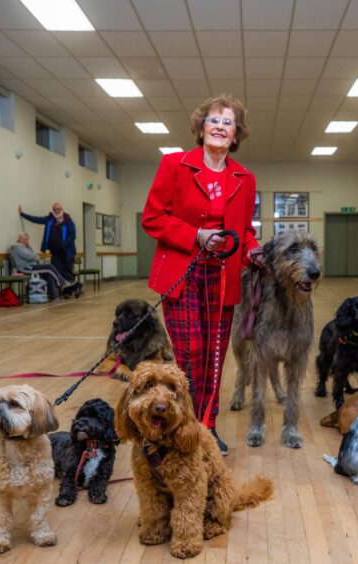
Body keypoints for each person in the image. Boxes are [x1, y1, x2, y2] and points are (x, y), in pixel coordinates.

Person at [142, 94, 261, 456]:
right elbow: (153, 218)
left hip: (223, 278)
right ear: (201, 127)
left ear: (236, 134)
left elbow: (244, 230)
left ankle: (207, 427)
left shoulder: (244, 177)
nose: (221, 127)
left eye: (228, 122)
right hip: (183, 274)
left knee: (214, 358)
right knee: (190, 353)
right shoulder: (174, 165)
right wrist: (195, 235)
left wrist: (254, 249)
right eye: (214, 120)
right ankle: (183, 426)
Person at [19, 202, 80, 292]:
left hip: (67, 251)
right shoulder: (49, 219)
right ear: (53, 210)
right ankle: (72, 288)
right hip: (55, 251)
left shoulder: (69, 222)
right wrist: (23, 214)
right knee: (58, 271)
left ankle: (70, 290)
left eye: (59, 209)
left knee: (68, 271)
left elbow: (72, 235)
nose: (57, 211)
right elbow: (37, 219)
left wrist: (63, 245)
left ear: (62, 209)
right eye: (55, 209)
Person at [9, 232, 81, 301]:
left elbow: (34, 257)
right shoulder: (17, 248)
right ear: (19, 239)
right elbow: (30, 257)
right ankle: (63, 282)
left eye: (26, 239)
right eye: (23, 239)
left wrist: (33, 254)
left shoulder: (26, 247)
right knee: (49, 267)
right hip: (25, 268)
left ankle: (54, 297)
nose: (25, 241)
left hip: (32, 266)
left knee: (49, 273)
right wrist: (35, 256)